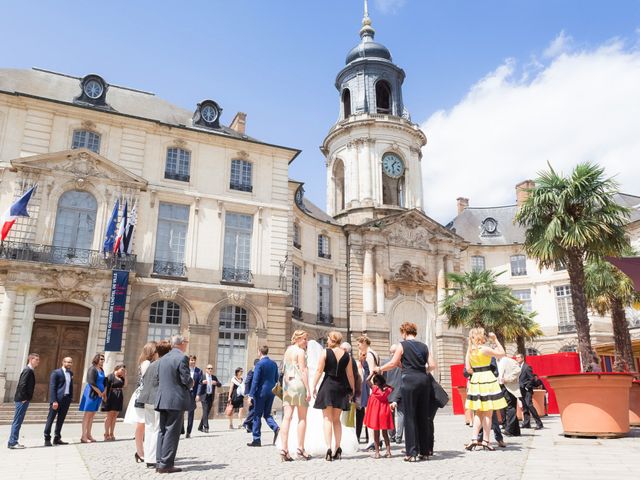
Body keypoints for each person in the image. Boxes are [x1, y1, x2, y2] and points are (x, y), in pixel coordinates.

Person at [375, 322, 436, 462]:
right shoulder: (424, 346)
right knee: (422, 416)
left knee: (409, 416)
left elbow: (393, 363)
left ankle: (411, 453)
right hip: (423, 381)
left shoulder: (402, 345)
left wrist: (380, 369)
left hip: (409, 381)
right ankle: (425, 452)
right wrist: (421, 371)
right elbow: (432, 365)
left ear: (403, 332)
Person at [312, 331, 355, 461]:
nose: (327, 341)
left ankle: (328, 447)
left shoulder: (325, 352)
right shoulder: (346, 355)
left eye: (328, 339)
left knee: (327, 419)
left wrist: (313, 385)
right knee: (337, 420)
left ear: (332, 340)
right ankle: (338, 447)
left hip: (328, 386)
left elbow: (319, 370)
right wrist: (352, 390)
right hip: (341, 388)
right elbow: (350, 375)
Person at [464, 328, 507, 451]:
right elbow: (502, 353)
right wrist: (495, 339)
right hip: (487, 379)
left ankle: (473, 438)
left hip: (476, 380)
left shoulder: (470, 351)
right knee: (488, 412)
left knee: (478, 412)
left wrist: (477, 372)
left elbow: (468, 369)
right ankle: (486, 441)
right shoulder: (485, 349)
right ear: (480, 336)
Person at [155, 334, 193, 474]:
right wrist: (191, 383)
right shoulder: (182, 357)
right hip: (175, 400)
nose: (187, 344)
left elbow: (158, 378)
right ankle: (166, 464)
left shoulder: (163, 358)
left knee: (162, 431)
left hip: (162, 398)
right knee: (172, 431)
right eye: (186, 342)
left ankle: (159, 462)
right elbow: (186, 379)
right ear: (182, 343)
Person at [138, 340, 171, 469]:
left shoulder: (150, 364)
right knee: (157, 429)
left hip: (147, 399)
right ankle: (153, 458)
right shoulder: (161, 364)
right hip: (157, 399)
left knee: (150, 428)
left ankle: (148, 457)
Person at [279, 330, 311, 462]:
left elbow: (284, 369)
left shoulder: (288, 350)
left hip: (287, 385)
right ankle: (300, 448)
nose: (306, 341)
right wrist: (308, 389)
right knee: (302, 418)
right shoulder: (301, 352)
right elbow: (303, 371)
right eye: (304, 339)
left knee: (287, 418)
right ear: (297, 339)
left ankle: (284, 449)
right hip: (298, 384)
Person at [124, 341, 156, 462]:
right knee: (141, 425)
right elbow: (148, 381)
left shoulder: (147, 362)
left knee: (143, 425)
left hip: (143, 395)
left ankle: (143, 451)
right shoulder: (147, 363)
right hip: (143, 396)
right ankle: (140, 451)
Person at [247, 345, 280, 447]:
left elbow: (255, 380)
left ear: (259, 352)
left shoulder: (259, 364)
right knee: (267, 414)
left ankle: (256, 439)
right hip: (271, 392)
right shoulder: (274, 363)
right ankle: (276, 428)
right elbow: (276, 378)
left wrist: (250, 395)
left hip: (261, 393)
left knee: (257, 415)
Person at [7, 353, 39, 449]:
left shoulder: (30, 370)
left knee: (18, 421)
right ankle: (13, 442)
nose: (38, 361)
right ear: (31, 359)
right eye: (36, 359)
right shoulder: (27, 370)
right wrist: (24, 398)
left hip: (22, 399)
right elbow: (22, 384)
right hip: (22, 400)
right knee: (17, 421)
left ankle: (12, 441)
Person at [356, 336, 380, 449]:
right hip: (372, 386)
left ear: (364, 342)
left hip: (370, 387)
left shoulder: (370, 354)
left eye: (359, 344)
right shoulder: (374, 353)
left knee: (369, 414)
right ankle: (376, 439)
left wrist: (369, 386)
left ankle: (372, 440)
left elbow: (372, 371)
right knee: (372, 414)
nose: (359, 346)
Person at [44, 356, 73, 447]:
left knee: (61, 420)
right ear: (63, 362)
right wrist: (54, 401)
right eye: (67, 362)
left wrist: (70, 398)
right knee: (50, 419)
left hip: (66, 400)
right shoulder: (56, 373)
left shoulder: (71, 373)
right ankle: (47, 438)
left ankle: (57, 438)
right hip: (57, 400)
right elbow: (52, 387)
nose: (69, 364)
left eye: (70, 362)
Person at [363, 373, 394, 458]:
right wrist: (384, 384)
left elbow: (367, 380)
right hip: (384, 413)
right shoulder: (387, 390)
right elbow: (392, 388)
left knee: (376, 434)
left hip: (376, 414)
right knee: (385, 433)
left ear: (375, 382)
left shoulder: (374, 389)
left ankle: (377, 453)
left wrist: (372, 373)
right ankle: (388, 452)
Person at [79, 353, 106, 443]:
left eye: (103, 359)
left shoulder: (101, 369)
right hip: (92, 394)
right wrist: (99, 392)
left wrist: (103, 393)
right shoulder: (92, 369)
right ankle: (83, 436)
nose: (102, 360)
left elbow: (104, 382)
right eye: (101, 359)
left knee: (92, 415)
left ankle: (89, 434)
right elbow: (91, 382)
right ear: (97, 359)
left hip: (99, 395)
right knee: (87, 415)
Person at [515, 353, 543, 430]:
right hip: (520, 390)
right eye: (516, 358)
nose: (517, 359)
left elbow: (531, 379)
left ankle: (539, 423)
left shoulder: (527, 367)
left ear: (522, 358)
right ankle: (526, 423)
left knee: (529, 405)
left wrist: (527, 387)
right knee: (525, 407)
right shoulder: (517, 367)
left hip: (527, 390)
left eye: (518, 357)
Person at [497, 355, 522, 437]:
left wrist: (507, 379)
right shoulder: (498, 361)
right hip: (503, 387)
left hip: (508, 387)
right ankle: (516, 431)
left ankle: (509, 429)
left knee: (510, 408)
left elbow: (518, 370)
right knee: (508, 407)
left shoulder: (508, 360)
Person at [102, 363, 127, 441]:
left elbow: (125, 385)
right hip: (111, 396)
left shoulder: (121, 378)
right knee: (109, 416)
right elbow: (105, 387)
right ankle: (106, 433)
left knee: (115, 416)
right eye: (122, 370)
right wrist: (104, 397)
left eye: (124, 370)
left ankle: (112, 433)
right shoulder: (110, 376)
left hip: (119, 397)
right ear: (117, 368)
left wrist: (125, 376)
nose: (123, 371)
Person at [385, 344, 403, 444]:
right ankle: (399, 437)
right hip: (400, 390)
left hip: (389, 392)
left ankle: (391, 435)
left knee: (390, 415)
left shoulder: (385, 362)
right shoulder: (402, 363)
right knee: (401, 414)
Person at [197, 364, 221, 433]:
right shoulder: (203, 376)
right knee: (205, 410)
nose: (210, 370)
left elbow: (220, 385)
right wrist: (202, 383)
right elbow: (198, 384)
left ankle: (200, 427)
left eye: (211, 368)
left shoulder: (214, 377)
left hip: (211, 396)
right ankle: (206, 427)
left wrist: (216, 383)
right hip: (204, 396)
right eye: (209, 368)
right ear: (206, 369)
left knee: (207, 412)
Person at [185, 355, 202, 438]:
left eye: (194, 360)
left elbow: (200, 383)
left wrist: (198, 394)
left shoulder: (199, 371)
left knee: (191, 413)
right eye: (191, 360)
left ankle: (188, 431)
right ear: (189, 361)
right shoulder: (185, 369)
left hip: (193, 394)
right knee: (180, 412)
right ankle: (181, 429)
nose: (193, 362)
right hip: (184, 393)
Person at [242, 359, 259, 433]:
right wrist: (248, 393)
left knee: (252, 410)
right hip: (252, 394)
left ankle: (249, 426)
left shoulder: (257, 371)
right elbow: (247, 381)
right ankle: (246, 423)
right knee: (253, 410)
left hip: (256, 393)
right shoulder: (252, 371)